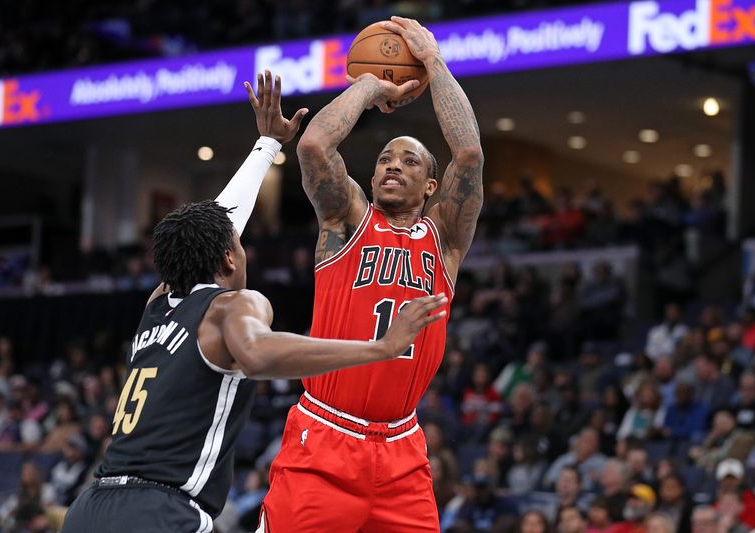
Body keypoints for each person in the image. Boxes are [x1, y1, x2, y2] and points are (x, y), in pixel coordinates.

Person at [59, 73, 447, 533]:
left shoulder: (160, 302)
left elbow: (207, 229)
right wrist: (378, 349)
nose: (242, 249)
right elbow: (259, 354)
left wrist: (266, 146)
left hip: (92, 505)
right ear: (227, 258)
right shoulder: (230, 307)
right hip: (160, 509)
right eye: (238, 247)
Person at [258, 15, 484, 532]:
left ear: (431, 186)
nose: (391, 166)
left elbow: (468, 154)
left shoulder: (445, 239)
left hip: (403, 450)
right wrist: (368, 84)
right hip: (325, 437)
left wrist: (432, 59)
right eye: (384, 158)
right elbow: (314, 147)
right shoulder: (347, 220)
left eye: (408, 161)